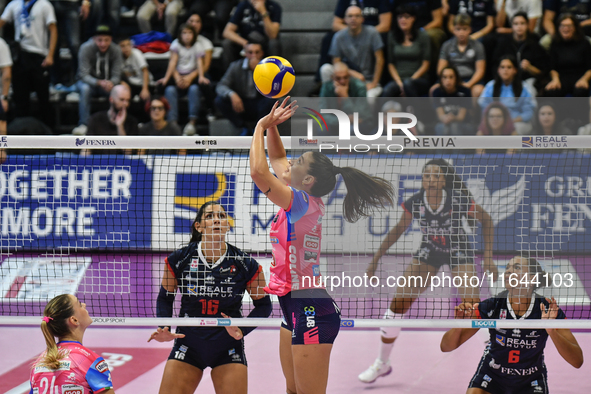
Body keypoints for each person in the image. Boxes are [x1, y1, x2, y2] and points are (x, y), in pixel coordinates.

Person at [250, 98, 395, 393]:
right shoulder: (302, 196)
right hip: (293, 306)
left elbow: (259, 172)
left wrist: (259, 127)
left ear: (309, 179)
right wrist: (274, 127)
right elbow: (277, 159)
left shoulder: (299, 202)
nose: (291, 162)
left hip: (311, 307)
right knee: (292, 390)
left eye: (298, 162)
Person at [359, 158, 496, 384]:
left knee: (473, 307)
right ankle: (382, 363)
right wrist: (376, 258)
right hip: (430, 250)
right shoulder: (415, 202)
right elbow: (397, 230)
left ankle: (495, 363)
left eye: (436, 176)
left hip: (458, 249)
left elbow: (487, 221)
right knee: (398, 304)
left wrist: (488, 257)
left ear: (443, 181)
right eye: (427, 175)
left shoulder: (458, 200)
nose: (430, 179)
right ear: (422, 180)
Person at [148, 201, 271, 394]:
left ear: (227, 225)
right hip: (188, 346)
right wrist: (164, 327)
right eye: (209, 216)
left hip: (228, 348)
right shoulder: (179, 259)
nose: (216, 220)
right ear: (199, 226)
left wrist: (241, 329)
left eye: (221, 216)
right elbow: (165, 298)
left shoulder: (245, 264)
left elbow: (264, 306)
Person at [441, 255, 584, 394]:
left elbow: (577, 361)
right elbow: (446, 347)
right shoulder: (493, 306)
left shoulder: (547, 309)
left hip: (530, 380)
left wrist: (552, 331)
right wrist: (460, 324)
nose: (508, 271)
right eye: (507, 267)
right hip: (492, 375)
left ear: (532, 278)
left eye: (516, 267)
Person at [30, 294, 115, 393]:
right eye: (79, 304)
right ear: (74, 320)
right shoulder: (89, 360)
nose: (84, 304)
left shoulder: (40, 362)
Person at [0, 0, 56, 126]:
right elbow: (1, 22)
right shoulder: (14, 4)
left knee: (43, 98)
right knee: (20, 99)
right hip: (20, 56)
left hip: (39, 55)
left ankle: (49, 134)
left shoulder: (44, 4)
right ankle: (21, 135)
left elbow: (53, 29)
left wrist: (50, 55)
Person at [320, 6, 385, 98]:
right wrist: (353, 73)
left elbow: (380, 59)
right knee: (325, 69)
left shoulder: (372, 33)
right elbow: (336, 62)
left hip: (367, 80)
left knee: (370, 98)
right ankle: (328, 95)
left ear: (362, 19)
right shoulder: (338, 36)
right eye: (350, 16)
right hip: (346, 77)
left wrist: (374, 83)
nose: (353, 19)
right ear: (345, 19)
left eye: (357, 16)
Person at [158, 23, 209, 136]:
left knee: (195, 89)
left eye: (190, 33)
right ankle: (173, 123)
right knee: (169, 90)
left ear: (194, 34)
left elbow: (200, 63)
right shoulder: (175, 44)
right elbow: (172, 62)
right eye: (184, 33)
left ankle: (192, 123)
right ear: (180, 35)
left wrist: (200, 76)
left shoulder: (198, 46)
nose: (187, 36)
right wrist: (170, 78)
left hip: (192, 76)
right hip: (178, 75)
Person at [214, 41, 274, 135]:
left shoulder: (269, 68)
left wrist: (259, 72)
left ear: (262, 53)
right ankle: (243, 127)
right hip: (241, 104)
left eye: (257, 52)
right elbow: (221, 85)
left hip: (259, 103)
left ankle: (259, 129)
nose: (253, 55)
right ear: (245, 54)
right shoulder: (235, 66)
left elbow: (272, 90)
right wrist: (232, 94)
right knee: (220, 101)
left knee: (271, 101)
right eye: (250, 52)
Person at [74, 25, 123, 136]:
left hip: (107, 84)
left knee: (118, 91)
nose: (103, 44)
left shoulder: (116, 50)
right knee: (85, 89)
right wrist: (98, 82)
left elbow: (117, 75)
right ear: (94, 39)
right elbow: (83, 75)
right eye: (99, 40)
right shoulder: (85, 48)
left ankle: (116, 122)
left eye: (106, 40)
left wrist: (111, 83)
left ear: (111, 39)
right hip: (87, 83)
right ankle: (84, 124)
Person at [478, 55, 536, 135]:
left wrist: (509, 122)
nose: (505, 70)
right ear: (498, 70)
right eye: (502, 67)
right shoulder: (490, 86)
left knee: (516, 129)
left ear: (515, 70)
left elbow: (528, 112)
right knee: (482, 131)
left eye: (509, 67)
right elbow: (485, 108)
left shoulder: (524, 87)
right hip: (494, 121)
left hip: (516, 122)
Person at [492, 12, 549, 95]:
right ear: (512, 26)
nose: (519, 27)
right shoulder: (503, 43)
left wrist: (530, 68)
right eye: (516, 24)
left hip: (528, 81)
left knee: (530, 92)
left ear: (527, 25)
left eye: (522, 23)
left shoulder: (534, 44)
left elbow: (543, 71)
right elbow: (494, 65)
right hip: (506, 80)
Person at [382, 5, 431, 97]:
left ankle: (415, 111)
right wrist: (400, 83)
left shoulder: (423, 36)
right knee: (387, 90)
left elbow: (426, 64)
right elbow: (390, 64)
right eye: (400, 17)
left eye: (406, 17)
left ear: (413, 18)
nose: (403, 20)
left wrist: (410, 81)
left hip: (418, 79)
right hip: (399, 79)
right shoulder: (392, 36)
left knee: (409, 85)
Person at [222, 0, 282, 70]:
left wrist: (263, 12)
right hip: (245, 42)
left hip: (264, 43)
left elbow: (273, 35)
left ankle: (274, 74)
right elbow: (227, 32)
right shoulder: (243, 5)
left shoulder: (274, 7)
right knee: (227, 43)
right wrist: (245, 43)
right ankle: (230, 75)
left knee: (274, 43)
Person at [437, 13, 486, 98]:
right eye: (458, 29)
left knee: (478, 90)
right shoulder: (446, 45)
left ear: (470, 30)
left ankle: (473, 112)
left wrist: (468, 84)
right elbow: (440, 69)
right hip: (451, 79)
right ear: (453, 30)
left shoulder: (478, 46)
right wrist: (452, 82)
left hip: (471, 80)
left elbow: (480, 71)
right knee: (434, 89)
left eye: (464, 29)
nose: (461, 33)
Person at [81, 84, 138, 155]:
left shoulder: (132, 122)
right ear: (111, 99)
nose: (125, 104)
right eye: (122, 99)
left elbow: (129, 153)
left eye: (127, 100)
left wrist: (120, 126)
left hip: (121, 164)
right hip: (98, 163)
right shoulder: (96, 119)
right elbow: (86, 148)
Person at [545, 14, 591, 98]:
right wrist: (555, 80)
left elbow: (589, 68)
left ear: (575, 28)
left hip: (580, 77)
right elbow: (552, 67)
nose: (566, 28)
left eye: (569, 26)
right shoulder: (555, 43)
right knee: (551, 91)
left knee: (580, 91)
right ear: (558, 28)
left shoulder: (584, 43)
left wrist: (584, 79)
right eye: (562, 25)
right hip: (561, 78)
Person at [431, 66, 473, 136]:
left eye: (451, 77)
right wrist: (445, 118)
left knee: (454, 126)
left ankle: (458, 147)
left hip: (463, 124)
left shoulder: (465, 91)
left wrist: (453, 118)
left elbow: (461, 117)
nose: (448, 80)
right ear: (441, 79)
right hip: (443, 123)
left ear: (456, 78)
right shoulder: (437, 92)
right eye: (445, 77)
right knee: (442, 127)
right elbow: (440, 115)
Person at [119, 37, 152, 102]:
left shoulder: (137, 53)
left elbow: (145, 71)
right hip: (131, 85)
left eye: (128, 45)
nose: (126, 48)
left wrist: (145, 89)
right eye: (122, 46)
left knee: (144, 98)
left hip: (144, 84)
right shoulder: (118, 57)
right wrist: (121, 82)